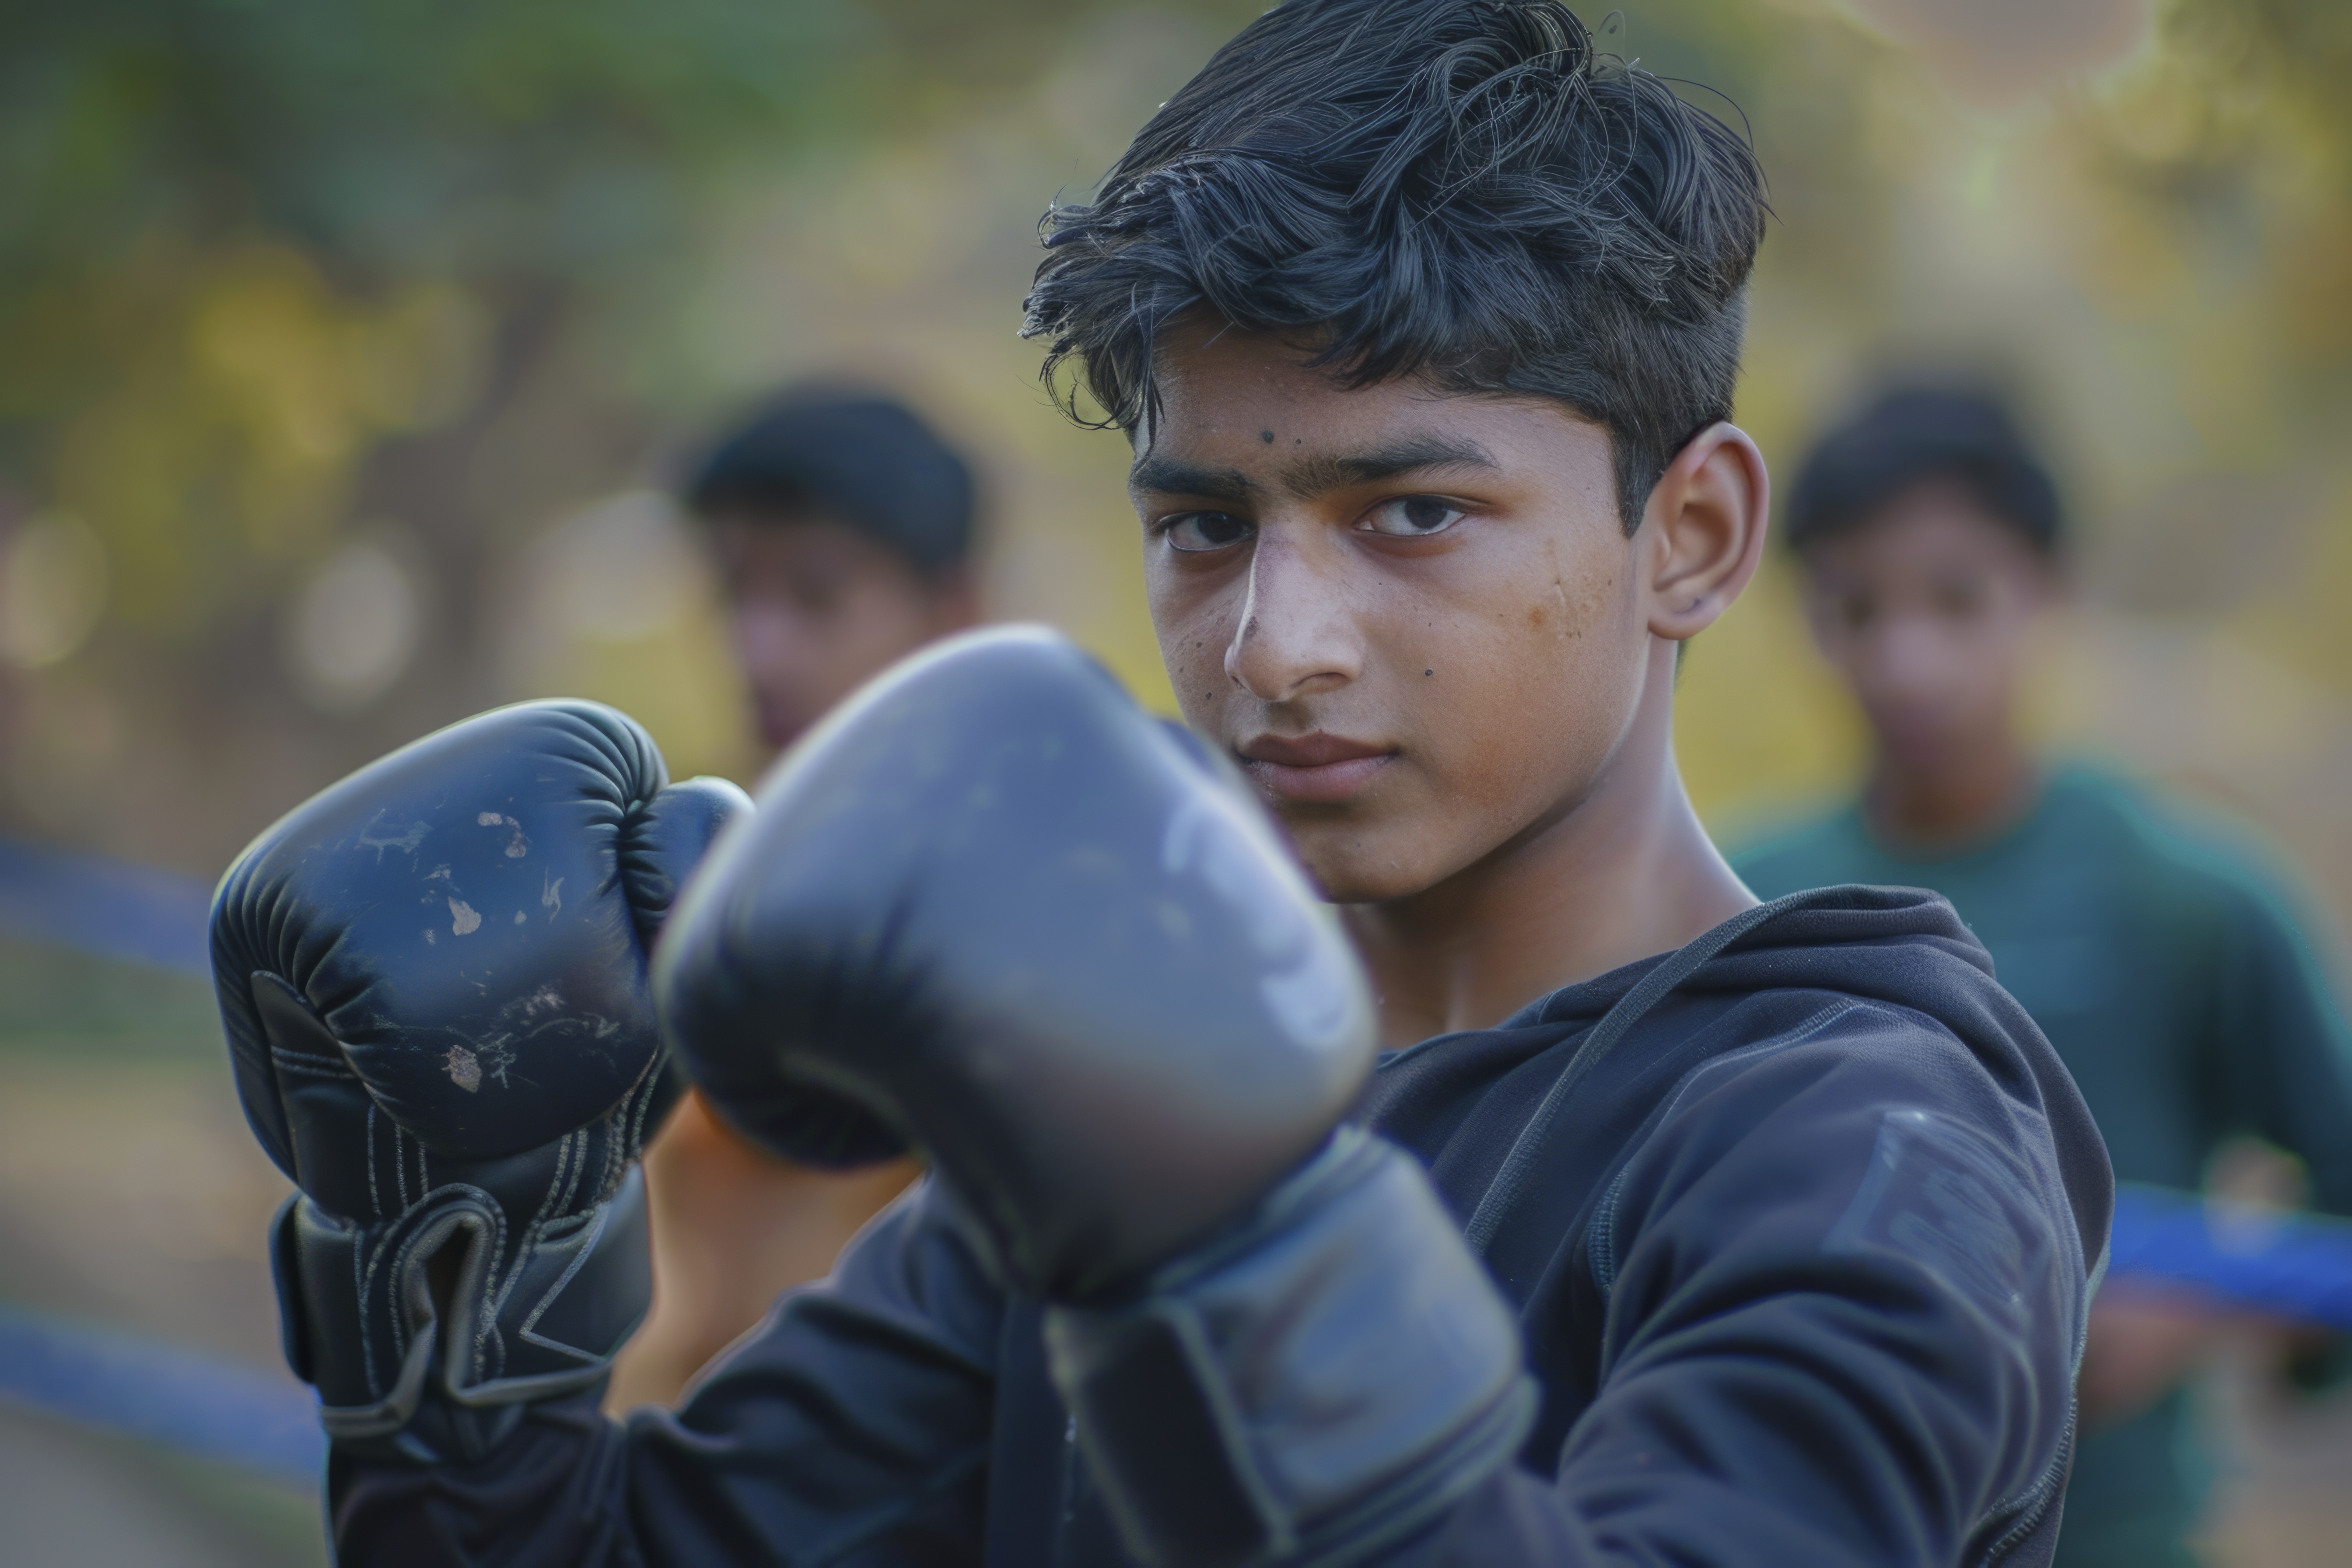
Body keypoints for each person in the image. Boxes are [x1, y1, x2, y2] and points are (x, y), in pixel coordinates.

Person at [213, 4, 2108, 1562]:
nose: (1278, 643)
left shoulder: (1870, 1144)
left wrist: (1229, 1251)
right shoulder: (1115, 1129)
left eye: (1415, 511)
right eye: (1205, 526)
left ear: (1688, 533)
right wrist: (451, 1272)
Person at [1733, 384, 2352, 1567]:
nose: (1906, 659)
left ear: (2049, 593)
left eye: (1958, 600)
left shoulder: (2188, 897)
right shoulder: (1746, 901)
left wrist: (2203, 1300)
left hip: (2116, 1535)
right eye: (1857, 608)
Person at [605, 389, 980, 1410]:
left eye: (815, 597)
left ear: (953, 611)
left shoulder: (1012, 910)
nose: (755, 650)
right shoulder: (704, 864)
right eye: (735, 594)